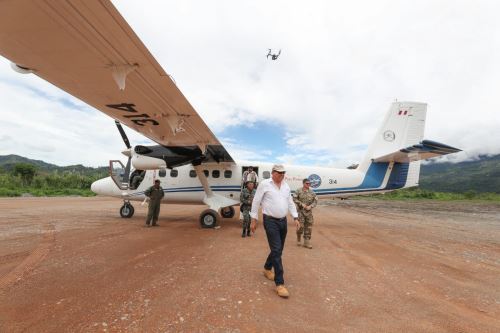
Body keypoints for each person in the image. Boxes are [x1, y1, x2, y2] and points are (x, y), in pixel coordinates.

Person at [250, 164, 299, 298]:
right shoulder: (265, 184)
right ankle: (280, 283)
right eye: (279, 173)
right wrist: (253, 219)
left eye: (283, 173)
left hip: (282, 221)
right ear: (273, 173)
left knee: (278, 249)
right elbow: (256, 201)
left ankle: (267, 268)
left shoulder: (286, 186)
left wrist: (295, 217)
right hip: (270, 221)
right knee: (277, 250)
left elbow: (290, 202)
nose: (281, 175)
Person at [293, 178, 318, 249]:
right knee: (300, 226)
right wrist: (301, 204)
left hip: (308, 212)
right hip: (300, 212)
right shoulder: (298, 191)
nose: (308, 185)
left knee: (309, 227)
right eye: (307, 183)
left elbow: (316, 201)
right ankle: (298, 237)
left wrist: (311, 206)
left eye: (309, 183)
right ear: (303, 183)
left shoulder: (312, 192)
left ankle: (306, 242)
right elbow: (294, 198)